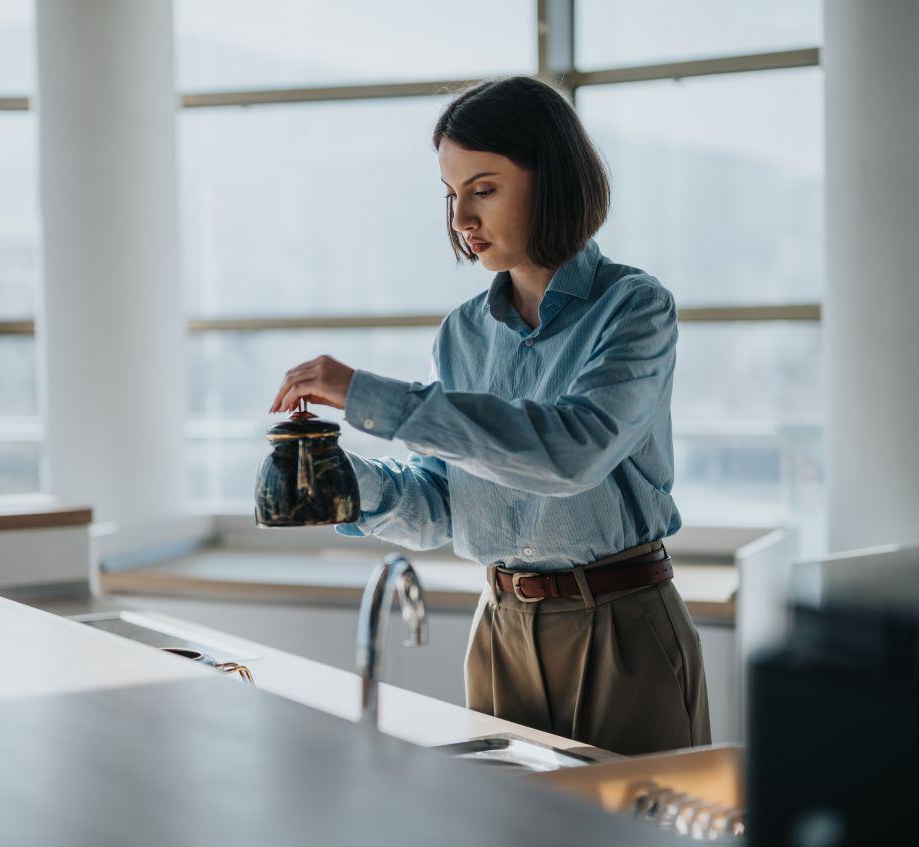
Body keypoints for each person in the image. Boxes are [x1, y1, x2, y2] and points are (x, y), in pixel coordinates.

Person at [268, 76, 709, 756]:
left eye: (484, 188)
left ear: (551, 180)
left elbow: (571, 452)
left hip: (622, 628)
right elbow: (448, 499)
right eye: (451, 194)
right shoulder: (462, 335)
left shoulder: (635, 308)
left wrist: (371, 397)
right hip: (499, 629)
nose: (461, 219)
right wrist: (347, 483)